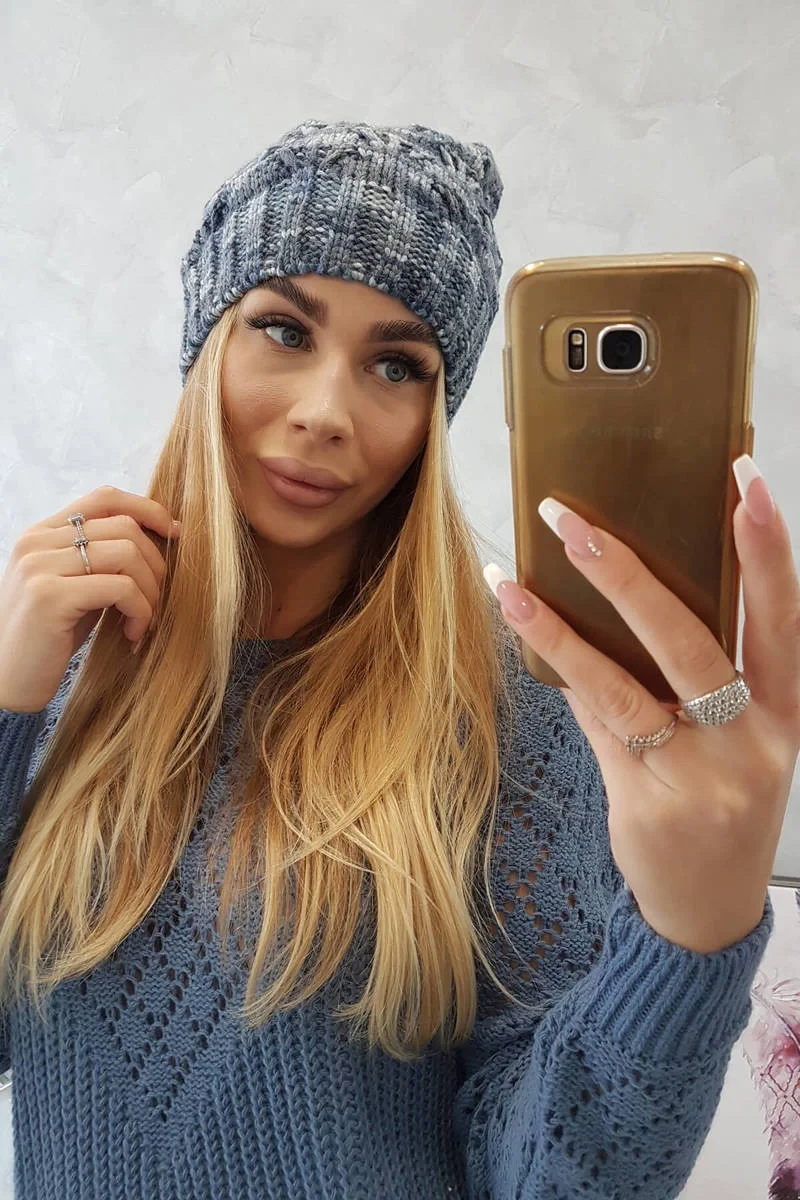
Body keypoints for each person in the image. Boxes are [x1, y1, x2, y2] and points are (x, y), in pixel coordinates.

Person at [0, 118, 796, 1200]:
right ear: (206, 342)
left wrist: (689, 935)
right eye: (283, 329)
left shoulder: (512, 716)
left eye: (395, 364)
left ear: (435, 412)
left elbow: (541, 1181)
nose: (326, 413)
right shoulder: (64, 658)